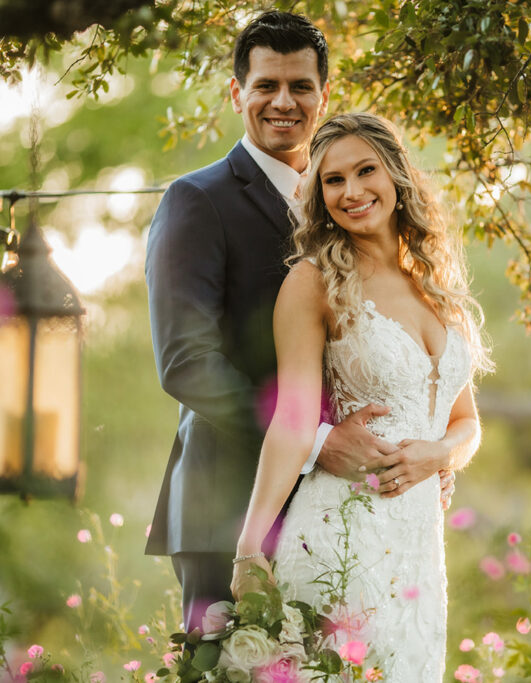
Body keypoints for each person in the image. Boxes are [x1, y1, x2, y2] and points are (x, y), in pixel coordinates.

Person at [144, 12, 459, 633]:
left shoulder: (345, 201)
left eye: (300, 86)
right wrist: (319, 442)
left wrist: (423, 450)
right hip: (230, 504)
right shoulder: (196, 200)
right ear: (237, 93)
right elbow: (185, 362)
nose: (283, 102)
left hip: (351, 510)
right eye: (266, 85)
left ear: (324, 94)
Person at [231, 113, 492, 680]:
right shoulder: (313, 282)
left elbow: (466, 421)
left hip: (419, 553)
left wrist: (439, 455)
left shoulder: (436, 284)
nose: (351, 191)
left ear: (396, 175)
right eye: (333, 180)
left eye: (365, 171)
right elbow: (292, 420)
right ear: (320, 196)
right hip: (340, 534)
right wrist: (249, 551)